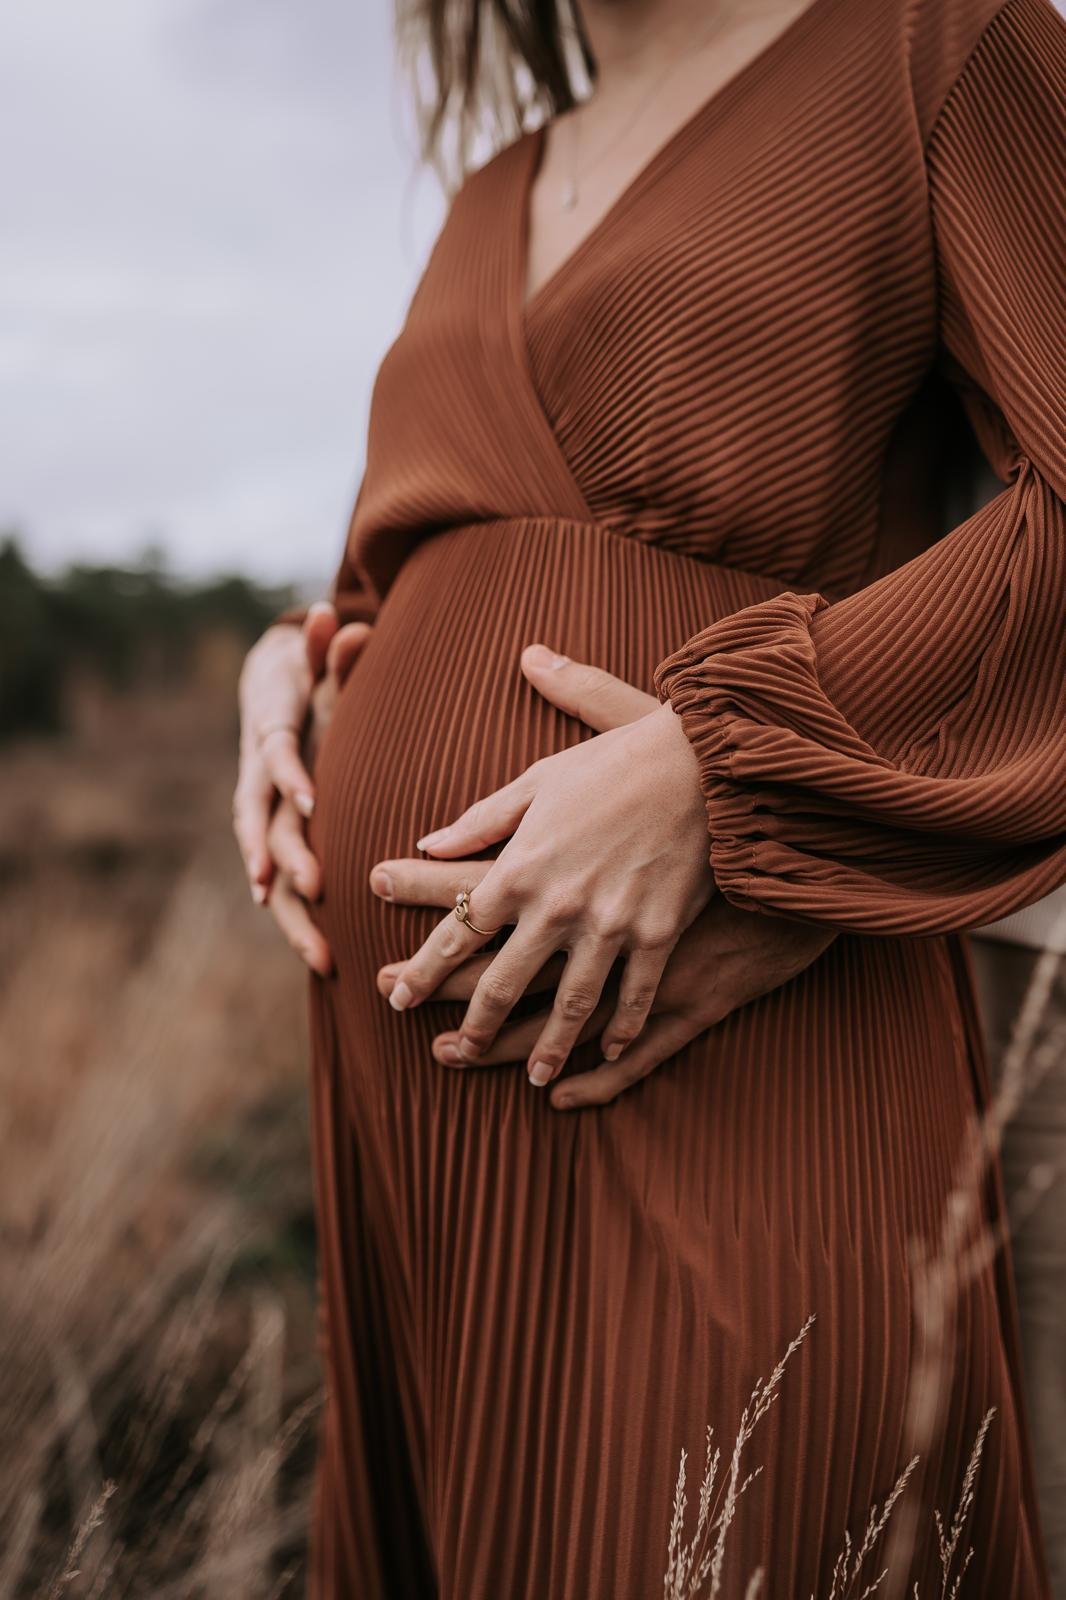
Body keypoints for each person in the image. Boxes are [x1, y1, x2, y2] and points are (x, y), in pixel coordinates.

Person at [234, 0, 1066, 1593]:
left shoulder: (934, 41)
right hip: (421, 1135)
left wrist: (717, 766)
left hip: (720, 1024)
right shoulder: (494, 187)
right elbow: (415, 557)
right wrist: (296, 662)